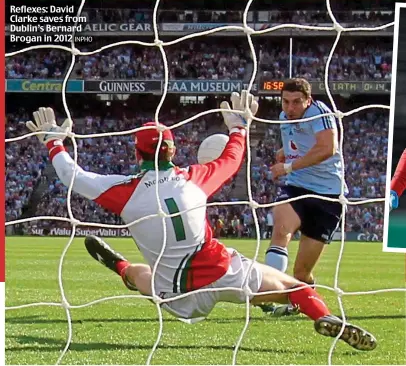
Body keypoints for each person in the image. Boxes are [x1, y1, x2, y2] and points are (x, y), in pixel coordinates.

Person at [26, 92, 375, 351]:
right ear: (174, 152)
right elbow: (233, 159)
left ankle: (118, 265)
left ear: (136, 153)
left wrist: (54, 142)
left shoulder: (121, 192)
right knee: (297, 288)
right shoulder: (196, 177)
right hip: (221, 272)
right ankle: (324, 316)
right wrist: (239, 127)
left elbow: (73, 176)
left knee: (141, 276)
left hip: (171, 290)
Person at [260, 78, 348, 316]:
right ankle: (267, 292)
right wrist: (283, 153)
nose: (290, 108)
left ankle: (304, 299)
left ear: (308, 100)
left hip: (328, 196)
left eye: (297, 102)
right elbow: (296, 143)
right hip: (297, 187)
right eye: (286, 102)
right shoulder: (282, 117)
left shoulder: (319, 112)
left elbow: (327, 148)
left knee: (301, 274)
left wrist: (289, 167)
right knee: (281, 229)